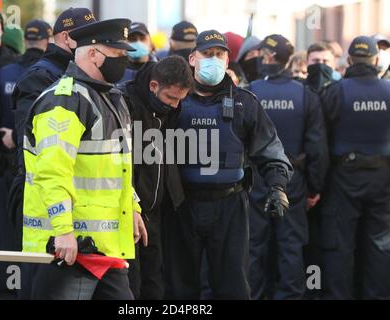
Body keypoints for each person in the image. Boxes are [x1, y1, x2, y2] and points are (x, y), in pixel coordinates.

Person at [23, 18, 147, 300]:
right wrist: (63, 230)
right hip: (70, 248)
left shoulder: (109, 97)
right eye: (117, 55)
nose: (123, 61)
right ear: (93, 54)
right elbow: (52, 172)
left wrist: (133, 207)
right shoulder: (63, 101)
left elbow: (115, 167)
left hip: (103, 248)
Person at [164, 30, 293, 299]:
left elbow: (270, 150)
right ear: (192, 58)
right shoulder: (174, 101)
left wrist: (278, 186)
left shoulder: (245, 103)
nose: (214, 59)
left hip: (229, 206)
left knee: (232, 287)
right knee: (180, 287)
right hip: (181, 205)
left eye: (220, 54)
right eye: (207, 54)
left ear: (227, 60)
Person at [9, 7, 96, 299]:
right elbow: (34, 149)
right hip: (42, 202)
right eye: (89, 38)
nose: (95, 46)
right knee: (40, 289)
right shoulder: (40, 78)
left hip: (72, 202)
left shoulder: (84, 75)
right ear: (67, 37)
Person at [248, 34, 329, 299]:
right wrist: (315, 188)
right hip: (292, 181)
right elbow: (317, 147)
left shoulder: (251, 91)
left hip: (257, 179)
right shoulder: (304, 94)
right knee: (291, 247)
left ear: (269, 56)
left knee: (253, 248)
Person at [320, 36, 390, 300]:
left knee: (340, 246)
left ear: (349, 60)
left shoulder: (335, 91)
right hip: (383, 179)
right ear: (375, 60)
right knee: (381, 245)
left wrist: (318, 183)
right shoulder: (388, 90)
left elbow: (320, 139)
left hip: (344, 177)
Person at [124, 56, 194, 299]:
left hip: (157, 210)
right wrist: (130, 206)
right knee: (131, 283)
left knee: (154, 282)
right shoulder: (125, 103)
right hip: (128, 211)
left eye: (180, 100)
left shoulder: (167, 108)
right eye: (171, 98)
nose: (175, 105)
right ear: (154, 86)